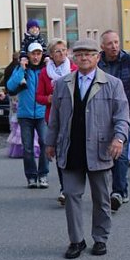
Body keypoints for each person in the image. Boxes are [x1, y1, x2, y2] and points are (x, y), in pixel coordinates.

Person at [45, 38, 130, 259]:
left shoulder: (112, 83)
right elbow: (55, 117)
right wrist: (50, 142)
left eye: (89, 54)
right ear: (74, 57)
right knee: (72, 195)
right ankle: (76, 240)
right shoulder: (63, 84)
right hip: (71, 147)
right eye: (80, 54)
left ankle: (100, 238)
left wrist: (119, 139)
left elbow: (122, 116)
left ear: (97, 57)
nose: (84, 58)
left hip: (100, 149)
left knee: (101, 197)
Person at [97, 30, 130, 211]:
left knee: (121, 150)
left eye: (116, 42)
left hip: (125, 112)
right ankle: (115, 188)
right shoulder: (98, 63)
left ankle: (118, 192)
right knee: (105, 151)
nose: (114, 46)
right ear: (102, 46)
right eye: (110, 43)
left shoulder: (129, 61)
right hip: (102, 113)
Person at [37, 39, 76, 205]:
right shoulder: (45, 73)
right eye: (58, 51)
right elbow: (38, 96)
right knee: (61, 155)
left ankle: (74, 186)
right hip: (54, 118)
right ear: (51, 55)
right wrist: (49, 99)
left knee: (73, 153)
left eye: (64, 50)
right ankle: (64, 188)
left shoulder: (74, 69)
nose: (62, 53)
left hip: (74, 117)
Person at [7, 42, 48, 188]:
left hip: (42, 113)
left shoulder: (45, 70)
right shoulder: (22, 70)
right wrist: (21, 69)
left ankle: (43, 174)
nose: (36, 57)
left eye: (38, 54)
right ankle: (31, 176)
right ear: (28, 55)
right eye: (33, 54)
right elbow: (11, 86)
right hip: (25, 115)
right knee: (28, 147)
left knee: (44, 143)